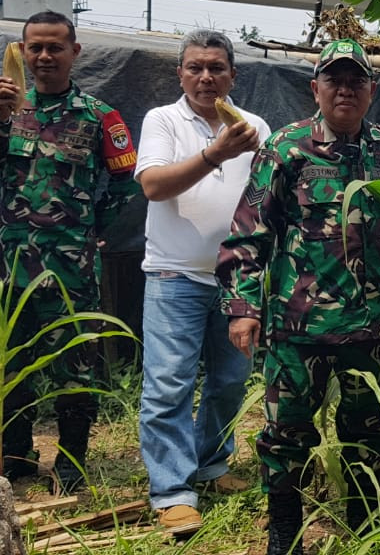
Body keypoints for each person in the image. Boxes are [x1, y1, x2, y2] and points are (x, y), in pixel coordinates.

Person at [217, 38, 380, 555]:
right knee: (286, 438)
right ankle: (284, 537)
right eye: (334, 80)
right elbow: (250, 231)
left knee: (368, 436)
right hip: (300, 327)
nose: (345, 89)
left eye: (355, 80)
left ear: (372, 88)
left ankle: (364, 531)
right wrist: (244, 308)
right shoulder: (286, 148)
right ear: (314, 88)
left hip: (370, 325)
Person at [0, 10, 140, 493]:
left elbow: (126, 183)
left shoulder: (99, 116)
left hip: (71, 267)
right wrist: (1, 118)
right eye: (35, 47)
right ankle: (18, 454)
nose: (44, 56)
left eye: (55, 47)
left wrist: (92, 230)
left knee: (76, 363)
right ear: (23, 52)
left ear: (74, 52)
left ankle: (71, 461)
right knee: (11, 361)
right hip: (7, 266)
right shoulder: (9, 108)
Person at [135, 30, 269, 534]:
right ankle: (172, 491)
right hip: (175, 273)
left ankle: (211, 465)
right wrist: (215, 153)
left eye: (216, 67)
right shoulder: (163, 120)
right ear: (181, 74)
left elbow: (267, 199)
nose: (205, 76)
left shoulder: (254, 127)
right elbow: (152, 185)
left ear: (233, 75)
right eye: (195, 67)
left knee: (231, 380)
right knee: (169, 382)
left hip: (237, 278)